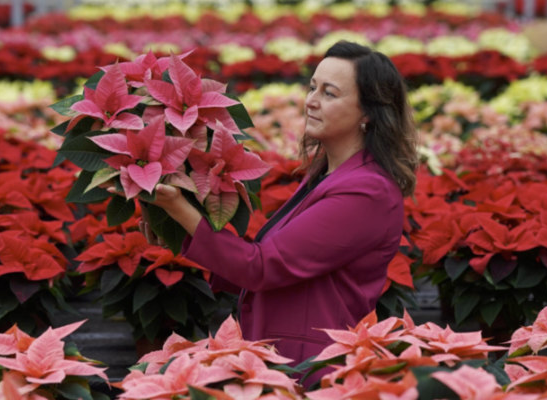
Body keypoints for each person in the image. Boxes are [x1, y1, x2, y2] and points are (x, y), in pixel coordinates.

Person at [141, 40, 419, 371]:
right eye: (312, 88)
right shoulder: (329, 176)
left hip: (309, 369)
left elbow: (260, 268)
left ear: (368, 114)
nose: (311, 102)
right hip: (284, 358)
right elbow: (273, 269)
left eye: (329, 93)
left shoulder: (366, 192)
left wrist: (180, 209)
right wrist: (179, 232)